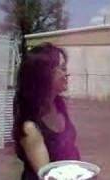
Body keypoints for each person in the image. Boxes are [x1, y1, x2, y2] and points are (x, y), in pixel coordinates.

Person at [13, 43, 80, 179]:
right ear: (44, 75)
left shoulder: (59, 105)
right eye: (62, 68)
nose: (67, 73)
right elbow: (48, 176)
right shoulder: (30, 128)